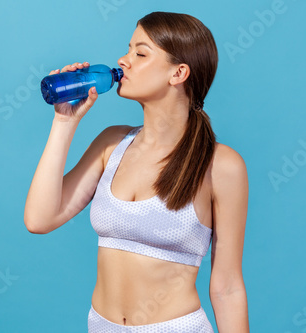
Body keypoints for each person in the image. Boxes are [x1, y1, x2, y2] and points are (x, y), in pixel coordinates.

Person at [24, 11, 249, 333]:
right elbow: (39, 220)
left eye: (140, 53)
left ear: (178, 73)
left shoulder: (220, 165)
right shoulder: (111, 144)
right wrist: (64, 122)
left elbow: (227, 287)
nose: (123, 60)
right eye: (128, 49)